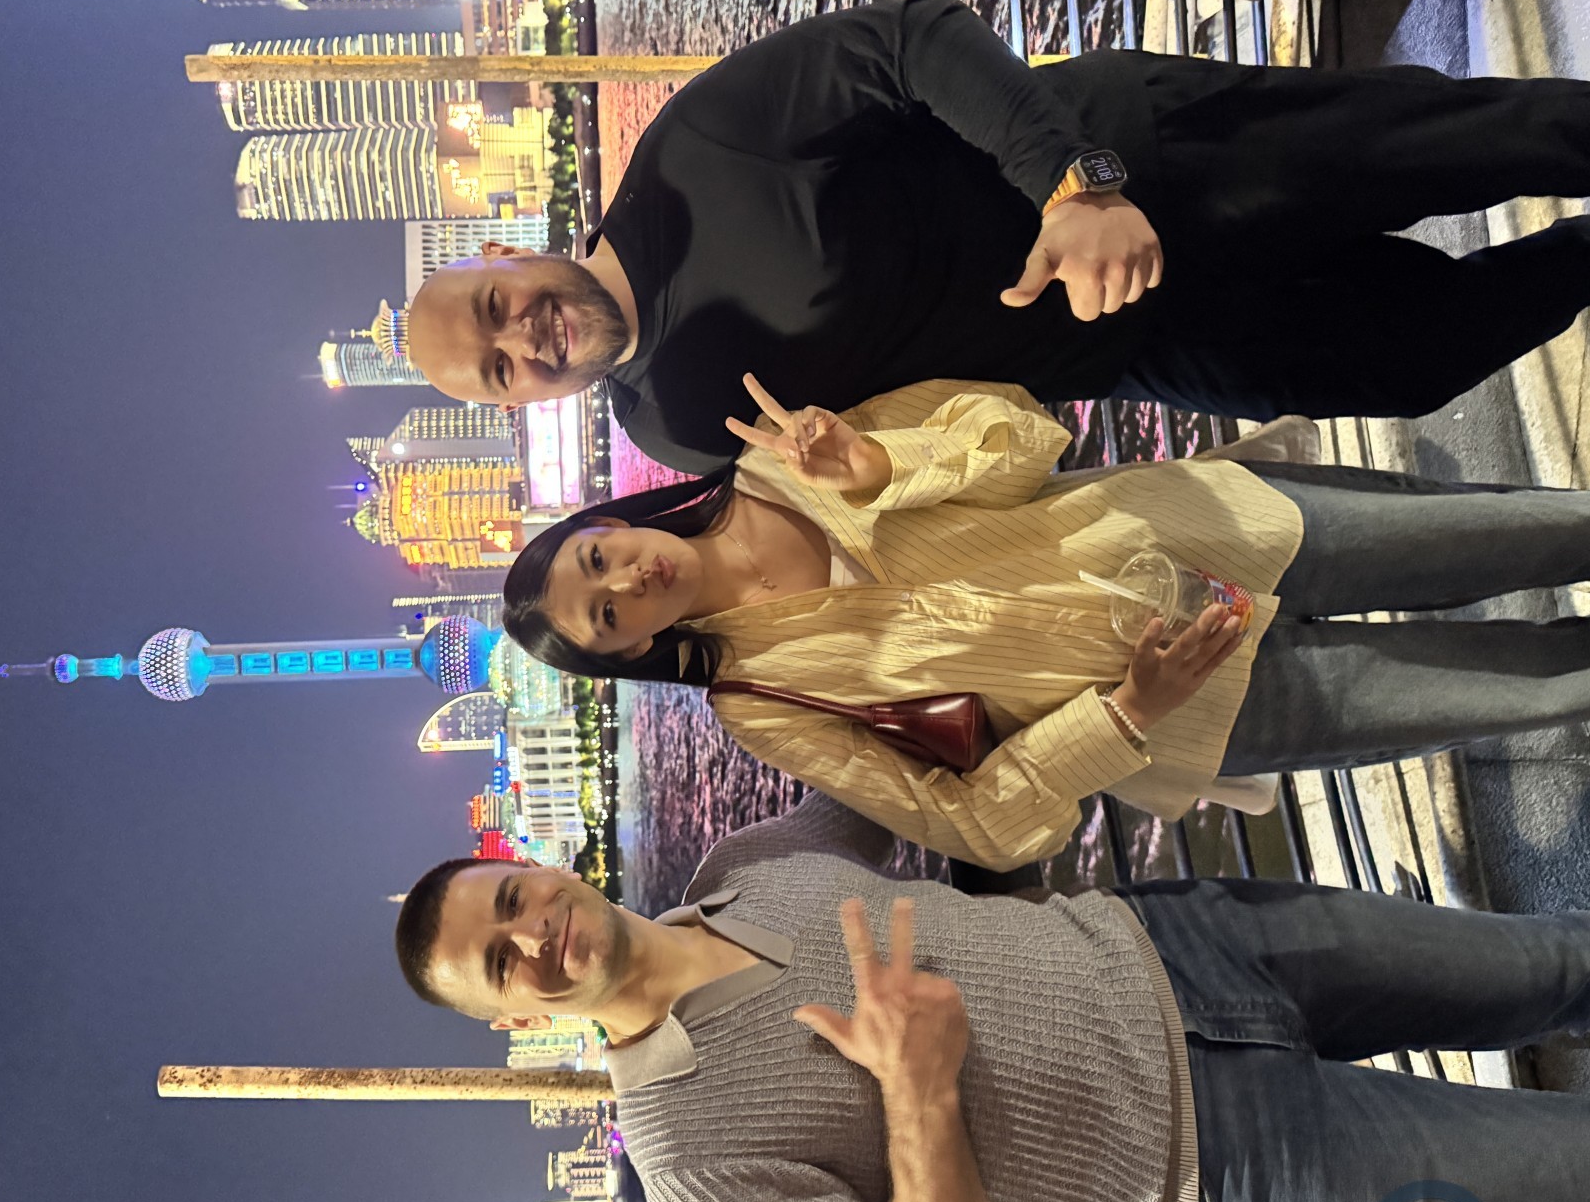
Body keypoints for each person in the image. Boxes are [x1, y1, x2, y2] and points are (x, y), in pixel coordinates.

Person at [393, 792, 1590, 1202]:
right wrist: (918, 1097)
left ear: (540, 867)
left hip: (1188, 938)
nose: (534, 933)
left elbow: (914, 760)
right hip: (1228, 1170)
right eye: (502, 963)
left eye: (513, 898)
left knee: (1554, 962)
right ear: (518, 1017)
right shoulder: (687, 1164)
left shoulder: (746, 866)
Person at [401, 0, 1590, 474]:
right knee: (1417, 358)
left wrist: (1075, 191)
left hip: (1147, 161)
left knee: (1483, 146)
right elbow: (892, 476)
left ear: (504, 257)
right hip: (1133, 346)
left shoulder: (694, 153)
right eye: (501, 368)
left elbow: (913, 41)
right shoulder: (673, 428)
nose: (527, 337)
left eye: (497, 308)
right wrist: (860, 480)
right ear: (517, 404)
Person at [501, 373, 1590, 870]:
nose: (627, 581)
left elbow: (1023, 434)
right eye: (607, 615)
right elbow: (968, 822)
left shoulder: (781, 458)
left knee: (1521, 533)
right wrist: (1123, 718)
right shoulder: (761, 705)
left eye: (597, 558)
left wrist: (878, 462)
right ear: (631, 650)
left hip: (1208, 527)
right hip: (1203, 704)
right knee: (1530, 687)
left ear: (606, 521)